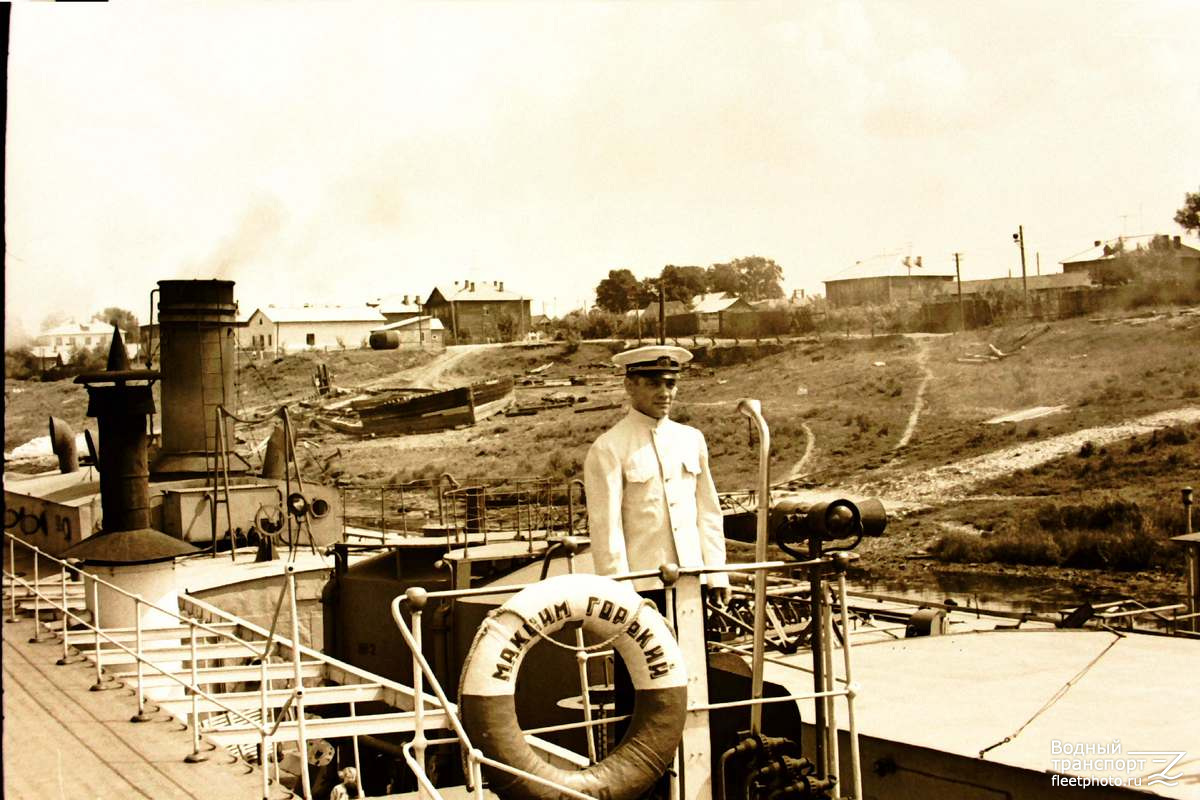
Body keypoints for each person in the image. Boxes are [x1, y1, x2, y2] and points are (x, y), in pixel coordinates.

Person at [583, 344, 730, 605]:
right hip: (642, 587)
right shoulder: (609, 448)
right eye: (653, 384)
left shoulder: (691, 439)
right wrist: (620, 595)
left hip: (693, 579)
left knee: (696, 647)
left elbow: (708, 513)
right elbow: (606, 530)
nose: (665, 393)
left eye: (670, 383)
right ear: (630, 386)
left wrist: (717, 574)